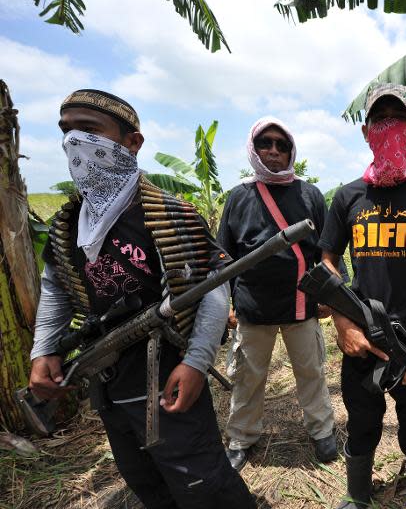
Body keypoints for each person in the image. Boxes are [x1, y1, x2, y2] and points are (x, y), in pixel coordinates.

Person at [27, 89, 253, 508]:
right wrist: (43, 350)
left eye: (89, 130)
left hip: (167, 371)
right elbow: (56, 286)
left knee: (203, 482)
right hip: (108, 381)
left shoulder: (171, 213)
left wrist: (196, 362)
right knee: (144, 480)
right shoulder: (70, 221)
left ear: (132, 143)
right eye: (66, 130)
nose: (74, 142)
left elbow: (211, 289)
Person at [318, 83, 406, 509]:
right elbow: (327, 263)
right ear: (366, 132)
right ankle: (357, 496)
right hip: (362, 338)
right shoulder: (348, 197)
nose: (389, 128)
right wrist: (343, 324)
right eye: (380, 120)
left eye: (398, 119)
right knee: (362, 422)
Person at [218, 117, 337, 471]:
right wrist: (227, 305)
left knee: (311, 371)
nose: (273, 151)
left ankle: (322, 430)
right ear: (253, 150)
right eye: (265, 144)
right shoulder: (239, 197)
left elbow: (326, 249)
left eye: (281, 145)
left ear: (291, 152)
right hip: (252, 307)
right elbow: (224, 256)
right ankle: (241, 438)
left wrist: (331, 294)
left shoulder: (309, 194)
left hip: (302, 303)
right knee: (248, 377)